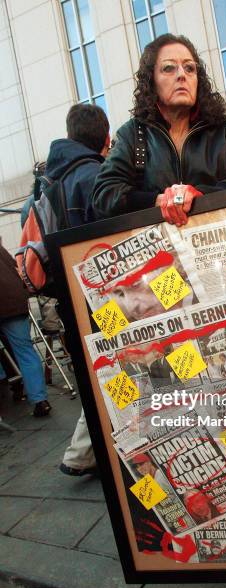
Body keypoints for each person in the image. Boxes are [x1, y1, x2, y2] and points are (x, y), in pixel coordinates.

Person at [92, 33, 226, 226]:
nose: (182, 75)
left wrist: (199, 194)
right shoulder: (132, 135)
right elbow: (104, 195)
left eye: (190, 68)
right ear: (151, 81)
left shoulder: (223, 132)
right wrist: (158, 200)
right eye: (169, 68)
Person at [57, 103, 110, 477]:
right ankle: (81, 453)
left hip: (68, 301)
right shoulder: (96, 176)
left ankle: (82, 452)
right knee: (113, 371)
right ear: (106, 140)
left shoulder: (50, 181)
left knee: (101, 373)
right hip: (102, 298)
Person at [0, 245, 52, 417]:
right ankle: (40, 401)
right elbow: (15, 267)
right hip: (13, 298)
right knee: (25, 351)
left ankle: (8, 386)